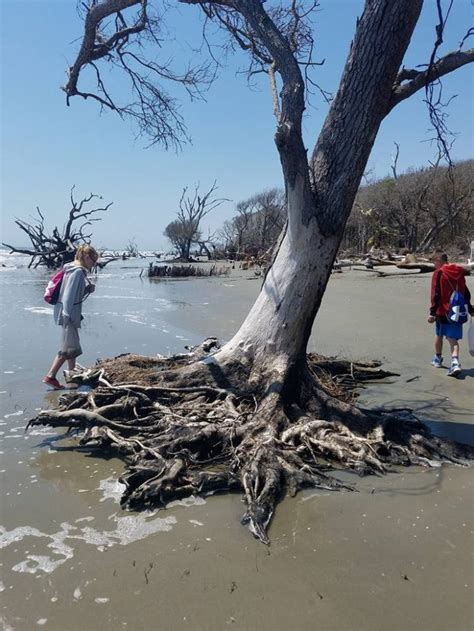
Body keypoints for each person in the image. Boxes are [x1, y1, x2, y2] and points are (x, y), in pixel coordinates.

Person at [43, 245, 99, 389]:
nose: (94, 264)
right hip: (68, 313)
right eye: (93, 261)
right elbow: (68, 297)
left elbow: (72, 294)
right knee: (68, 348)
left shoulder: (71, 269)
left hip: (65, 311)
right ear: (87, 257)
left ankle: (73, 379)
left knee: (71, 347)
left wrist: (87, 290)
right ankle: (50, 376)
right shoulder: (78, 272)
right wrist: (68, 316)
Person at [428, 250, 473, 377]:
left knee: (439, 335)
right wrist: (469, 308)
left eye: (433, 261)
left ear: (438, 260)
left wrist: (432, 313)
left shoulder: (439, 273)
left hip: (442, 311)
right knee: (453, 340)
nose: (433, 264)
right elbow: (465, 292)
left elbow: (436, 294)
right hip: (457, 311)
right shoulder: (459, 272)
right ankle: (455, 363)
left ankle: (437, 359)